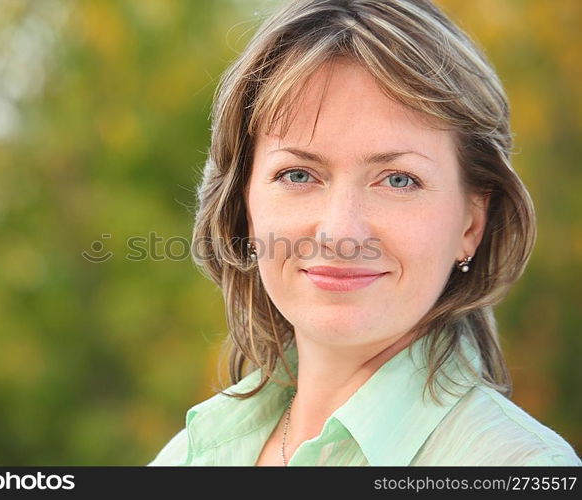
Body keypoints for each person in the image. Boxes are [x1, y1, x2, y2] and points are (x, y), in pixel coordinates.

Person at [148, 0, 582, 466]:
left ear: (471, 224)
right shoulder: (191, 455)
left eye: (398, 179)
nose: (340, 232)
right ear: (243, 209)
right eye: (298, 175)